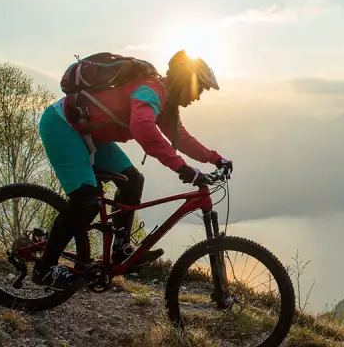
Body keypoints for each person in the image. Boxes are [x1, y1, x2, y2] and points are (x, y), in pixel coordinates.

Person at [33, 50, 232, 291]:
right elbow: (143, 129)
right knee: (85, 200)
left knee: (132, 180)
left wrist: (216, 159)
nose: (198, 97)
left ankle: (120, 249)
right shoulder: (152, 90)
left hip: (90, 132)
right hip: (63, 126)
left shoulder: (166, 104)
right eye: (198, 88)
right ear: (184, 81)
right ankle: (45, 269)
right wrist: (181, 167)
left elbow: (182, 139)